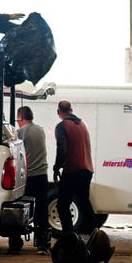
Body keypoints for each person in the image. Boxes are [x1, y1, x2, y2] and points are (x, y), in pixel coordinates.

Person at [53, 99, 98, 235]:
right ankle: (95, 232)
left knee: (62, 205)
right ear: (71, 110)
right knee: (84, 201)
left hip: (72, 170)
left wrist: (56, 168)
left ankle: (69, 235)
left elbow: (62, 149)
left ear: (58, 112)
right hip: (87, 170)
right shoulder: (83, 124)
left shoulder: (62, 126)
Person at [16, 106, 51, 254]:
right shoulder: (40, 130)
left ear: (21, 117)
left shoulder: (21, 132)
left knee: (19, 209)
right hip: (42, 175)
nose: (17, 121)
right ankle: (43, 244)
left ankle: (15, 243)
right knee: (41, 211)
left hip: (28, 177)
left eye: (18, 118)